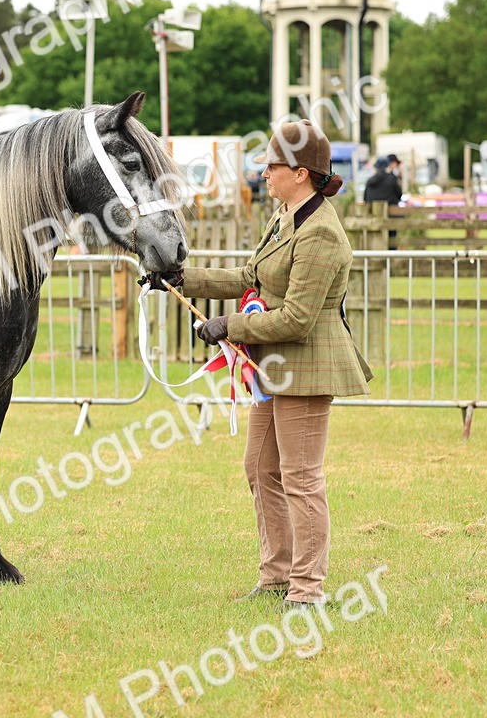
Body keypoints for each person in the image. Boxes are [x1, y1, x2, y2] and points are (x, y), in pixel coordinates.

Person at [176, 119, 373, 612]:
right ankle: (276, 576)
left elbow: (298, 320)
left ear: (301, 173)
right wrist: (180, 277)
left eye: (271, 166)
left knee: (301, 477)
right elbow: (249, 276)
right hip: (274, 367)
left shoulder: (322, 233)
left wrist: (230, 327)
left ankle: (308, 590)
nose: (263, 173)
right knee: (260, 467)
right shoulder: (285, 214)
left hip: (307, 366)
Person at [364, 154, 403, 249]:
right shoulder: (392, 179)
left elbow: (365, 198)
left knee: (374, 241)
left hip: (373, 218)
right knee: (391, 240)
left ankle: (376, 260)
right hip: (391, 217)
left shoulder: (370, 181)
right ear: (387, 166)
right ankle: (391, 259)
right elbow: (399, 195)